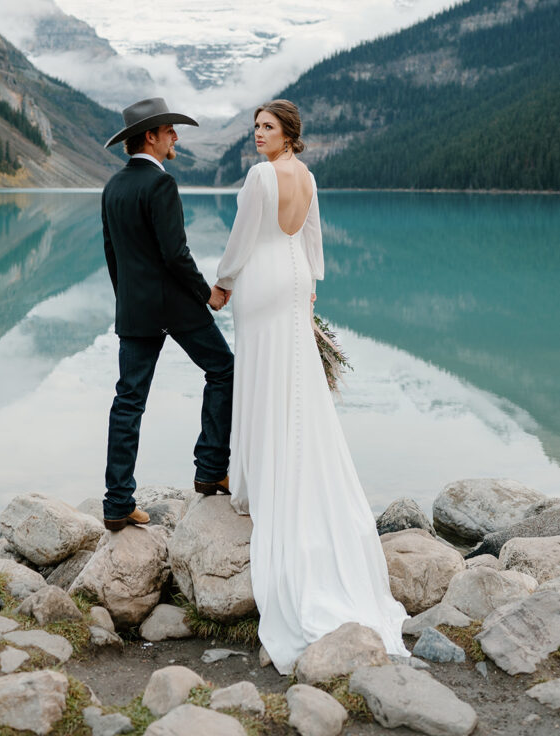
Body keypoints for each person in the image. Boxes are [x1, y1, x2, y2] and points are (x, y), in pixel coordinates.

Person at [216, 99, 409, 674]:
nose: (257, 136)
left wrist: (222, 283)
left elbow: (243, 236)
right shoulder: (307, 175)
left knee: (260, 376)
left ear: (288, 134)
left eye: (267, 128)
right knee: (298, 383)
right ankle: (290, 470)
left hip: (263, 283)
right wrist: (312, 286)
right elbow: (314, 240)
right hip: (296, 282)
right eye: (255, 128)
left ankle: (256, 483)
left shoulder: (261, 176)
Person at [101, 97, 234, 531]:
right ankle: (211, 468)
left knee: (128, 400)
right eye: (170, 130)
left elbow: (112, 256)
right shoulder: (161, 185)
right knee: (223, 368)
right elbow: (176, 254)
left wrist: (129, 302)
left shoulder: (113, 186)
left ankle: (117, 501)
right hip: (174, 305)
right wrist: (207, 296)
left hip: (135, 308)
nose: (176, 136)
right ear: (151, 137)